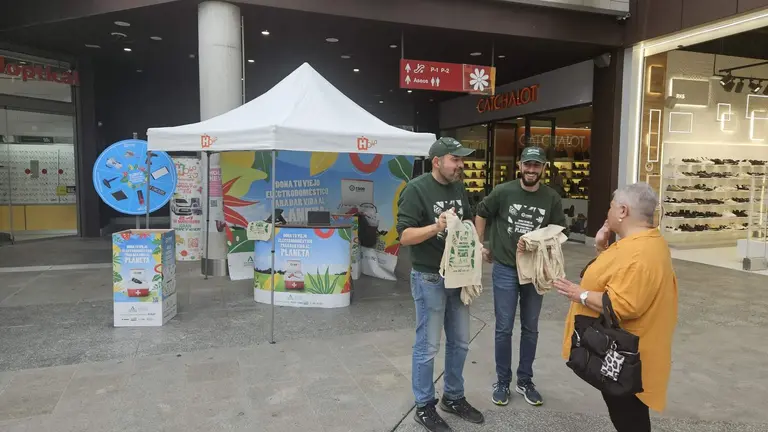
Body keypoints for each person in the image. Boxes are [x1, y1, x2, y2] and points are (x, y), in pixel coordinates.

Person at [554, 182, 678, 432]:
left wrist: (581, 294)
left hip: (627, 357)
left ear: (623, 211)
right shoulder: (638, 243)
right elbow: (616, 276)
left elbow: (623, 305)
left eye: (611, 206)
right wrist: (602, 248)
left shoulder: (640, 253)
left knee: (629, 419)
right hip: (626, 353)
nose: (608, 211)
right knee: (625, 416)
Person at [396, 137, 485, 432]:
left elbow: (468, 220)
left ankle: (454, 397)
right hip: (429, 277)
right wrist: (437, 226)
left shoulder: (458, 186)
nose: (461, 165)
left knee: (460, 341)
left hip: (458, 275)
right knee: (428, 346)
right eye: (455, 159)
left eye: (461, 160)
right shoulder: (416, 189)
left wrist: (477, 246)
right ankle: (424, 406)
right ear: (437, 161)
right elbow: (404, 236)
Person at [474, 146, 567, 407]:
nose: (531, 170)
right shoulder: (504, 191)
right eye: (527, 165)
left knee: (530, 327)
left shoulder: (551, 197)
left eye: (536, 165)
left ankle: (525, 380)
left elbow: (559, 232)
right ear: (519, 165)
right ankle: (502, 380)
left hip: (535, 271)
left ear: (544, 168)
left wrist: (538, 244)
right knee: (504, 327)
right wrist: (482, 244)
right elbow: (482, 212)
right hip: (505, 268)